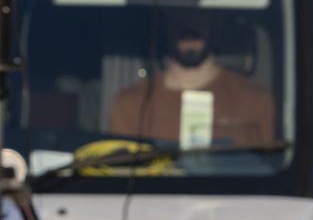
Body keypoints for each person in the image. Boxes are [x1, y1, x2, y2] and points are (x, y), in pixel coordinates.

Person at [109, 15, 274, 146]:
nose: (188, 25)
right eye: (178, 15)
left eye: (198, 15)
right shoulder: (131, 104)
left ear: (214, 23)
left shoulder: (255, 100)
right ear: (164, 24)